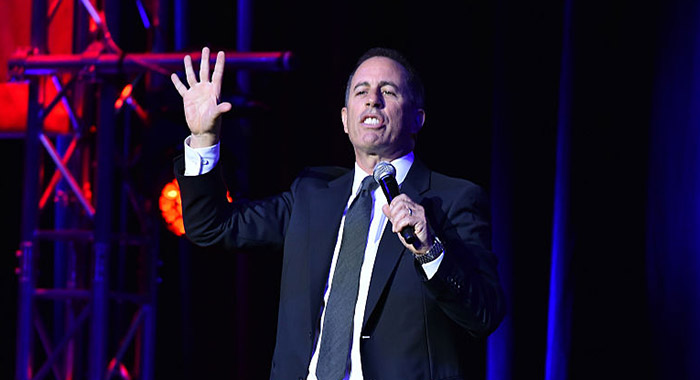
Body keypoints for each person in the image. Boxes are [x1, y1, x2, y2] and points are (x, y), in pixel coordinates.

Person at [171, 46, 505, 380]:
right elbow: (212, 227)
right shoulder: (312, 194)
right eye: (362, 91)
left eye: (388, 91)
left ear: (418, 118)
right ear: (345, 119)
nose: (373, 99)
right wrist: (204, 137)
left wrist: (429, 249)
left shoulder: (452, 200)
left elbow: (484, 314)